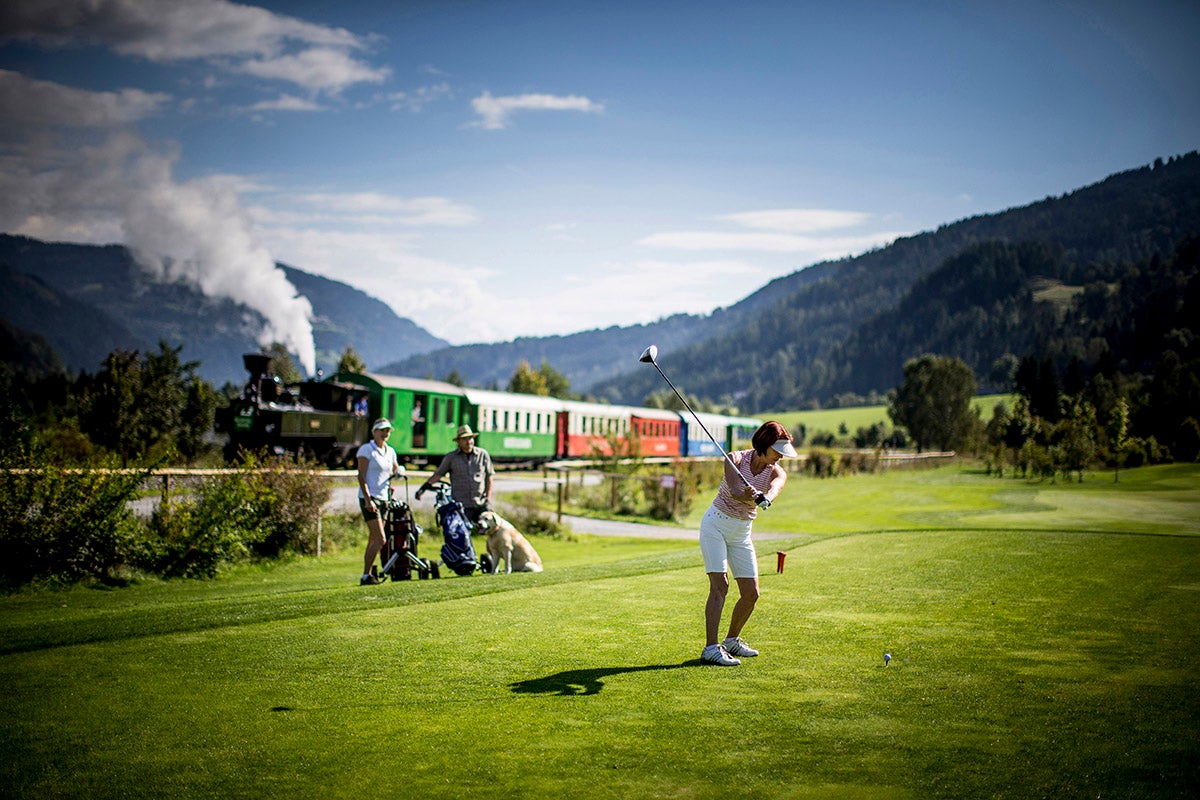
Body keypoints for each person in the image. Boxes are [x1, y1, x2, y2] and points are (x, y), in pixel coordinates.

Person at [698, 420, 797, 666]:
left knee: (751, 594)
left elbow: (776, 487)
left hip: (741, 532)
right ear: (764, 445)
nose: (780, 458)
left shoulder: (776, 470)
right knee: (720, 585)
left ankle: (731, 640)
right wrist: (748, 492)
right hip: (715, 525)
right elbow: (732, 489)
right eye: (778, 452)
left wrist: (765, 497)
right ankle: (711, 648)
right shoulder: (735, 459)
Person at [357, 418, 405, 585]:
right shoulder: (366, 449)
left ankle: (368, 574)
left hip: (384, 498)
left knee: (373, 539)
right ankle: (365, 575)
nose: (385, 434)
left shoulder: (390, 451)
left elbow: (395, 468)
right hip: (370, 498)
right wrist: (368, 499)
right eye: (382, 430)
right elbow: (361, 476)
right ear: (374, 432)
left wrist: (399, 472)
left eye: (387, 431)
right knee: (381, 539)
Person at [415, 424, 494, 525]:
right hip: (462, 505)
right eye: (464, 439)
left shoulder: (483, 455)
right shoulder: (451, 458)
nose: (468, 442)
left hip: (481, 503)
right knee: (463, 534)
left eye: (470, 438)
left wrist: (488, 496)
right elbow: (438, 475)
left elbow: (489, 477)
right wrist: (424, 488)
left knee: (490, 531)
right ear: (458, 442)